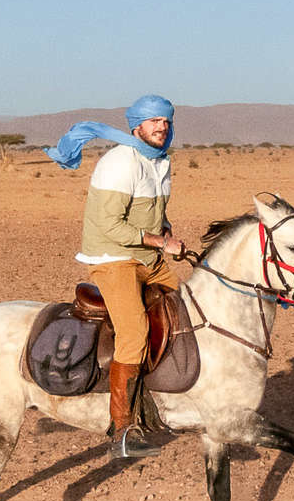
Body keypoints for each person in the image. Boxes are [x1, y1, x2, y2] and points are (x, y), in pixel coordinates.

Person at [44, 94, 187, 459]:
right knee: (134, 333)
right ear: (137, 126)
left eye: (166, 122)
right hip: (114, 257)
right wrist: (160, 242)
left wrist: (167, 236)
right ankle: (122, 430)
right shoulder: (121, 161)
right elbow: (110, 224)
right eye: (155, 122)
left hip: (147, 256)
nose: (162, 128)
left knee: (187, 312)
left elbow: (155, 214)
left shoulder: (161, 162)